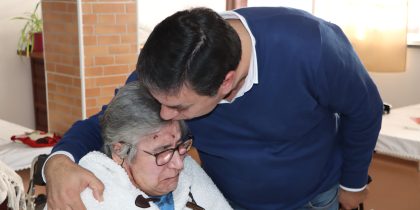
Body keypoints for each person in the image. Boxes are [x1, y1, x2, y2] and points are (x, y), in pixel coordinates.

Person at [44, 7, 383, 210]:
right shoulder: (172, 71)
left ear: (225, 83)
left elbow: (364, 110)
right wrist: (57, 163)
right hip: (229, 198)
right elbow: (108, 121)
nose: (163, 114)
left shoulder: (311, 45)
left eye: (178, 107)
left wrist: (353, 184)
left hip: (314, 195)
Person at [54, 81, 232, 210]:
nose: (179, 165)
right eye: (162, 151)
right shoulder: (92, 198)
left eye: (179, 146)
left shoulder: (190, 175)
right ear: (120, 151)